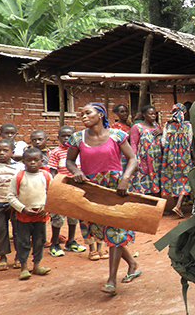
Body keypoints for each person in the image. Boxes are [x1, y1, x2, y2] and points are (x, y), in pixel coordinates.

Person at [66, 102, 141, 296]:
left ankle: (111, 280)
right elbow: (69, 161)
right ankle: (132, 263)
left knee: (115, 231)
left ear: (100, 115)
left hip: (116, 188)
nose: (83, 116)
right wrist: (76, 172)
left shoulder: (117, 135)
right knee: (104, 230)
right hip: (92, 189)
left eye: (87, 113)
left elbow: (133, 159)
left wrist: (125, 179)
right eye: (81, 114)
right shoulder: (77, 138)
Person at [7, 147, 52, 280]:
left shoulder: (46, 176)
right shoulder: (19, 177)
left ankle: (37, 265)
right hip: (23, 215)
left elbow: (53, 194)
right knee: (23, 241)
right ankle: (24, 267)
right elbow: (11, 196)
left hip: (41, 215)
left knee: (40, 241)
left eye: (36, 160)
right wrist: (22, 208)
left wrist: (47, 207)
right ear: (23, 161)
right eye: (29, 160)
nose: (32, 163)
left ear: (41, 161)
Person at [47, 126, 86, 257]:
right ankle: (55, 244)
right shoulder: (56, 152)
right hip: (61, 189)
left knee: (73, 216)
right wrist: (56, 187)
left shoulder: (79, 151)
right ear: (58, 138)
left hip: (76, 189)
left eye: (69, 136)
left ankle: (71, 241)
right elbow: (52, 171)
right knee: (58, 218)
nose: (66, 139)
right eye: (63, 136)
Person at [160, 103, 193, 218]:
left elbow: (163, 143)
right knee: (184, 180)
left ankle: (177, 206)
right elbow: (190, 142)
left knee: (173, 179)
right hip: (184, 157)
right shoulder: (187, 125)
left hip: (169, 157)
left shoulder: (167, 125)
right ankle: (179, 205)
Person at [0, 139, 23, 271]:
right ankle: (2, 257)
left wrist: (18, 202)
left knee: (19, 231)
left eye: (5, 151)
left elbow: (23, 185)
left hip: (15, 204)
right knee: (0, 231)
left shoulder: (19, 167)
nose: (1, 153)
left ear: (12, 152)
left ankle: (19, 257)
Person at [129, 104, 162, 195]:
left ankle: (158, 205)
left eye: (155, 114)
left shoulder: (156, 126)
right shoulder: (137, 127)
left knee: (157, 183)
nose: (153, 116)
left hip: (157, 160)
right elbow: (133, 144)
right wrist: (134, 160)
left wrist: (162, 132)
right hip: (144, 160)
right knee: (145, 183)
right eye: (150, 114)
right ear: (144, 115)